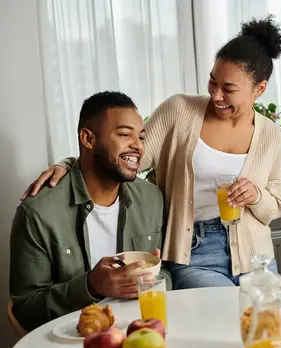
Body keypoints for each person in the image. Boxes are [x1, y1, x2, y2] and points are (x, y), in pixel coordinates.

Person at [21, 15, 281, 289]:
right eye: (212, 82)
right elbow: (127, 156)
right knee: (226, 321)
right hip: (194, 253)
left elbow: (274, 207)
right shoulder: (180, 111)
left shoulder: (274, 137)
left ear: (260, 89)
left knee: (267, 327)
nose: (216, 95)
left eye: (228, 89)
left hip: (257, 257)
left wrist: (255, 195)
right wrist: (70, 163)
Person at [10, 91, 169, 331]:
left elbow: (168, 273)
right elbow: (25, 310)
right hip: (74, 342)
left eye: (141, 137)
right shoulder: (38, 214)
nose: (137, 146)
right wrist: (90, 286)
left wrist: (153, 279)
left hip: (143, 329)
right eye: (125, 134)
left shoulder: (151, 199)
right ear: (87, 138)